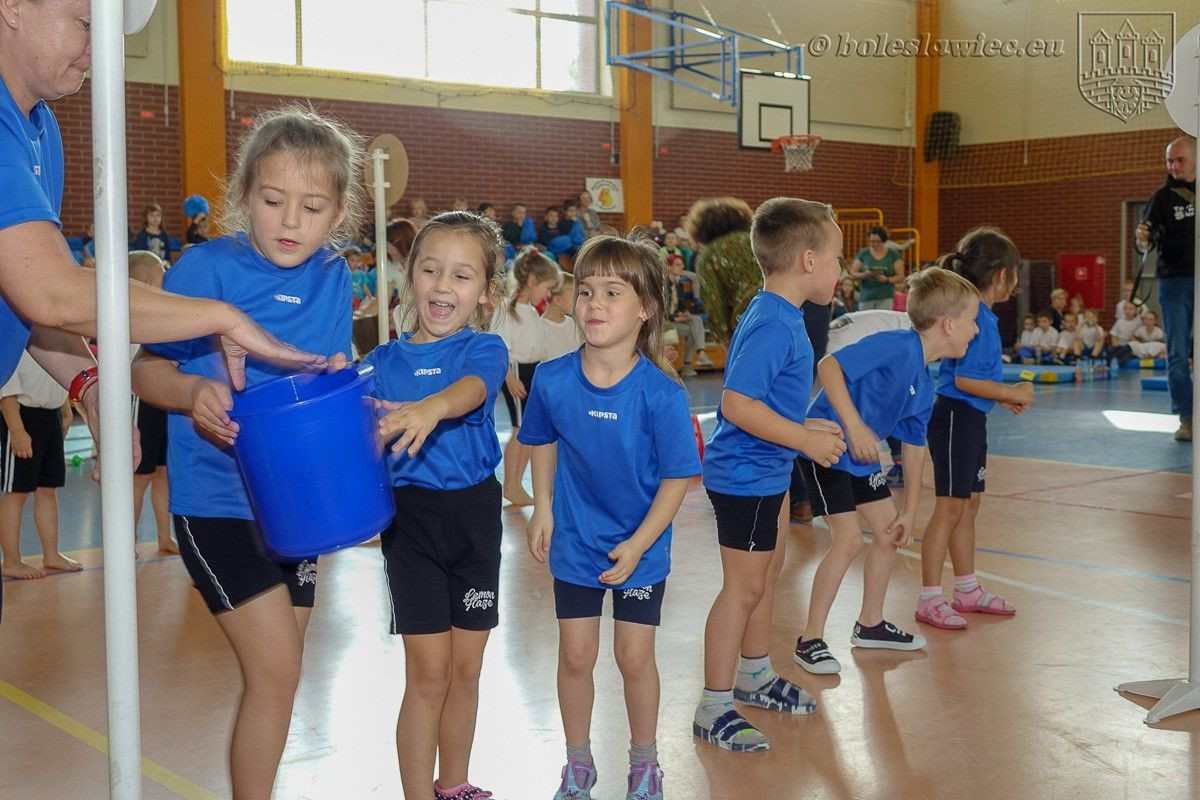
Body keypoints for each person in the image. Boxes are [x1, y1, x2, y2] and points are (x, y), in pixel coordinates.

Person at [0, 0, 326, 624]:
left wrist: (88, 381)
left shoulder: (40, 127)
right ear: (13, 7)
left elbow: (25, 293)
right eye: (85, 24)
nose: (98, 49)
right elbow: (53, 291)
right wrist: (221, 317)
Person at [130, 107, 360, 799]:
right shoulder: (204, 267)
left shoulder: (335, 278)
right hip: (218, 504)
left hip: (300, 511)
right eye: (271, 200)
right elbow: (144, 369)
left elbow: (331, 378)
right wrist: (190, 393)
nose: (291, 220)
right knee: (279, 668)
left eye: (312, 206)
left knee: (278, 681)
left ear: (338, 212)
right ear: (242, 196)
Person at [521, 233, 701, 800]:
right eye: (586, 291)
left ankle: (644, 763)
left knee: (633, 656)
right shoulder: (550, 380)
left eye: (613, 293)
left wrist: (642, 544)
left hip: (640, 545)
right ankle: (578, 764)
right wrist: (543, 507)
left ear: (646, 309)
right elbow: (543, 442)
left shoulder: (662, 394)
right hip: (575, 540)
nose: (594, 304)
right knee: (575, 654)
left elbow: (678, 478)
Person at [363, 211, 508, 800]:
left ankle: (455, 785)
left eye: (462, 275)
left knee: (466, 671)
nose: (444, 286)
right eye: (431, 270)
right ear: (410, 276)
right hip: (412, 526)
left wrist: (428, 409)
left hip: (474, 520)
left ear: (484, 292)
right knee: (427, 674)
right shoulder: (377, 364)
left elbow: (472, 390)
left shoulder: (486, 347)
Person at [694, 198, 846, 753]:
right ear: (807, 260)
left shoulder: (783, 317)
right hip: (745, 477)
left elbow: (770, 397)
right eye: (836, 257)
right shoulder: (775, 324)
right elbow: (736, 404)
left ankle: (754, 674)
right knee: (743, 587)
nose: (841, 269)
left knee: (769, 571)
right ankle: (714, 703)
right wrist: (805, 437)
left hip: (769, 474)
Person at [793, 268, 979, 674]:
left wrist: (909, 511)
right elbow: (829, 367)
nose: (975, 330)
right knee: (846, 542)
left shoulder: (925, 386)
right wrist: (855, 425)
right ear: (948, 324)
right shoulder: (897, 346)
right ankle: (810, 639)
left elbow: (914, 448)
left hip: (860, 459)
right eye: (972, 321)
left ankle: (871, 624)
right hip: (827, 448)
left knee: (889, 533)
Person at [915, 228, 1033, 631]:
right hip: (953, 418)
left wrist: (1000, 397)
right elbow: (963, 380)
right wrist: (1009, 390)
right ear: (1002, 275)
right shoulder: (975, 316)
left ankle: (966, 589)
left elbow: (973, 376)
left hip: (972, 419)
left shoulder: (984, 315)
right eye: (1015, 273)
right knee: (949, 507)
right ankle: (930, 597)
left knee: (968, 506)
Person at [1136, 136, 1196, 442]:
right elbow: (1144, 241)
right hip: (1174, 282)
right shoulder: (1161, 198)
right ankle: (1186, 417)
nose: (1174, 166)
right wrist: (1143, 239)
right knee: (1177, 352)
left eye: (1180, 160)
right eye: (1170, 161)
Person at [0, 350, 77, 579]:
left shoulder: (48, 335)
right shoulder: (17, 338)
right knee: (17, 492)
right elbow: (5, 388)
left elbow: (55, 375)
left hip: (50, 416)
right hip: (23, 417)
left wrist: (64, 411)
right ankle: (12, 561)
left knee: (47, 489)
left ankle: (51, 554)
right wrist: (17, 429)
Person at [494, 248, 558, 506]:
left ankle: (516, 483)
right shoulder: (506, 310)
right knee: (520, 429)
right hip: (517, 372)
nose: (548, 293)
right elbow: (498, 348)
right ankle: (511, 484)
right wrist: (509, 378)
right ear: (532, 282)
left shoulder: (530, 309)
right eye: (547, 286)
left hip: (533, 371)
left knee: (528, 431)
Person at [127, 251, 176, 555]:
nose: (166, 278)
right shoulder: (130, 316)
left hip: (162, 400)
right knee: (140, 475)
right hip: (140, 402)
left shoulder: (160, 312)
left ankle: (163, 536)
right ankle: (126, 539)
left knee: (162, 473)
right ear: (146, 282)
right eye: (161, 273)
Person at [686, 197, 759, 343]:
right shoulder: (760, 241)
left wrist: (726, 343)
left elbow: (714, 303)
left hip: (747, 321)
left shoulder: (709, 255)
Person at [848, 226, 905, 311]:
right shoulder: (864, 253)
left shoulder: (893, 254)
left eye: (878, 241)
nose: (874, 244)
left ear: (884, 241)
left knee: (883, 322)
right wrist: (864, 275)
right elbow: (852, 274)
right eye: (871, 241)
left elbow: (901, 276)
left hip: (885, 297)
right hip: (866, 297)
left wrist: (886, 279)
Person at [541, 272, 582, 362]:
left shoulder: (574, 324)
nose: (578, 300)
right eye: (574, 296)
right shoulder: (540, 329)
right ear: (558, 300)